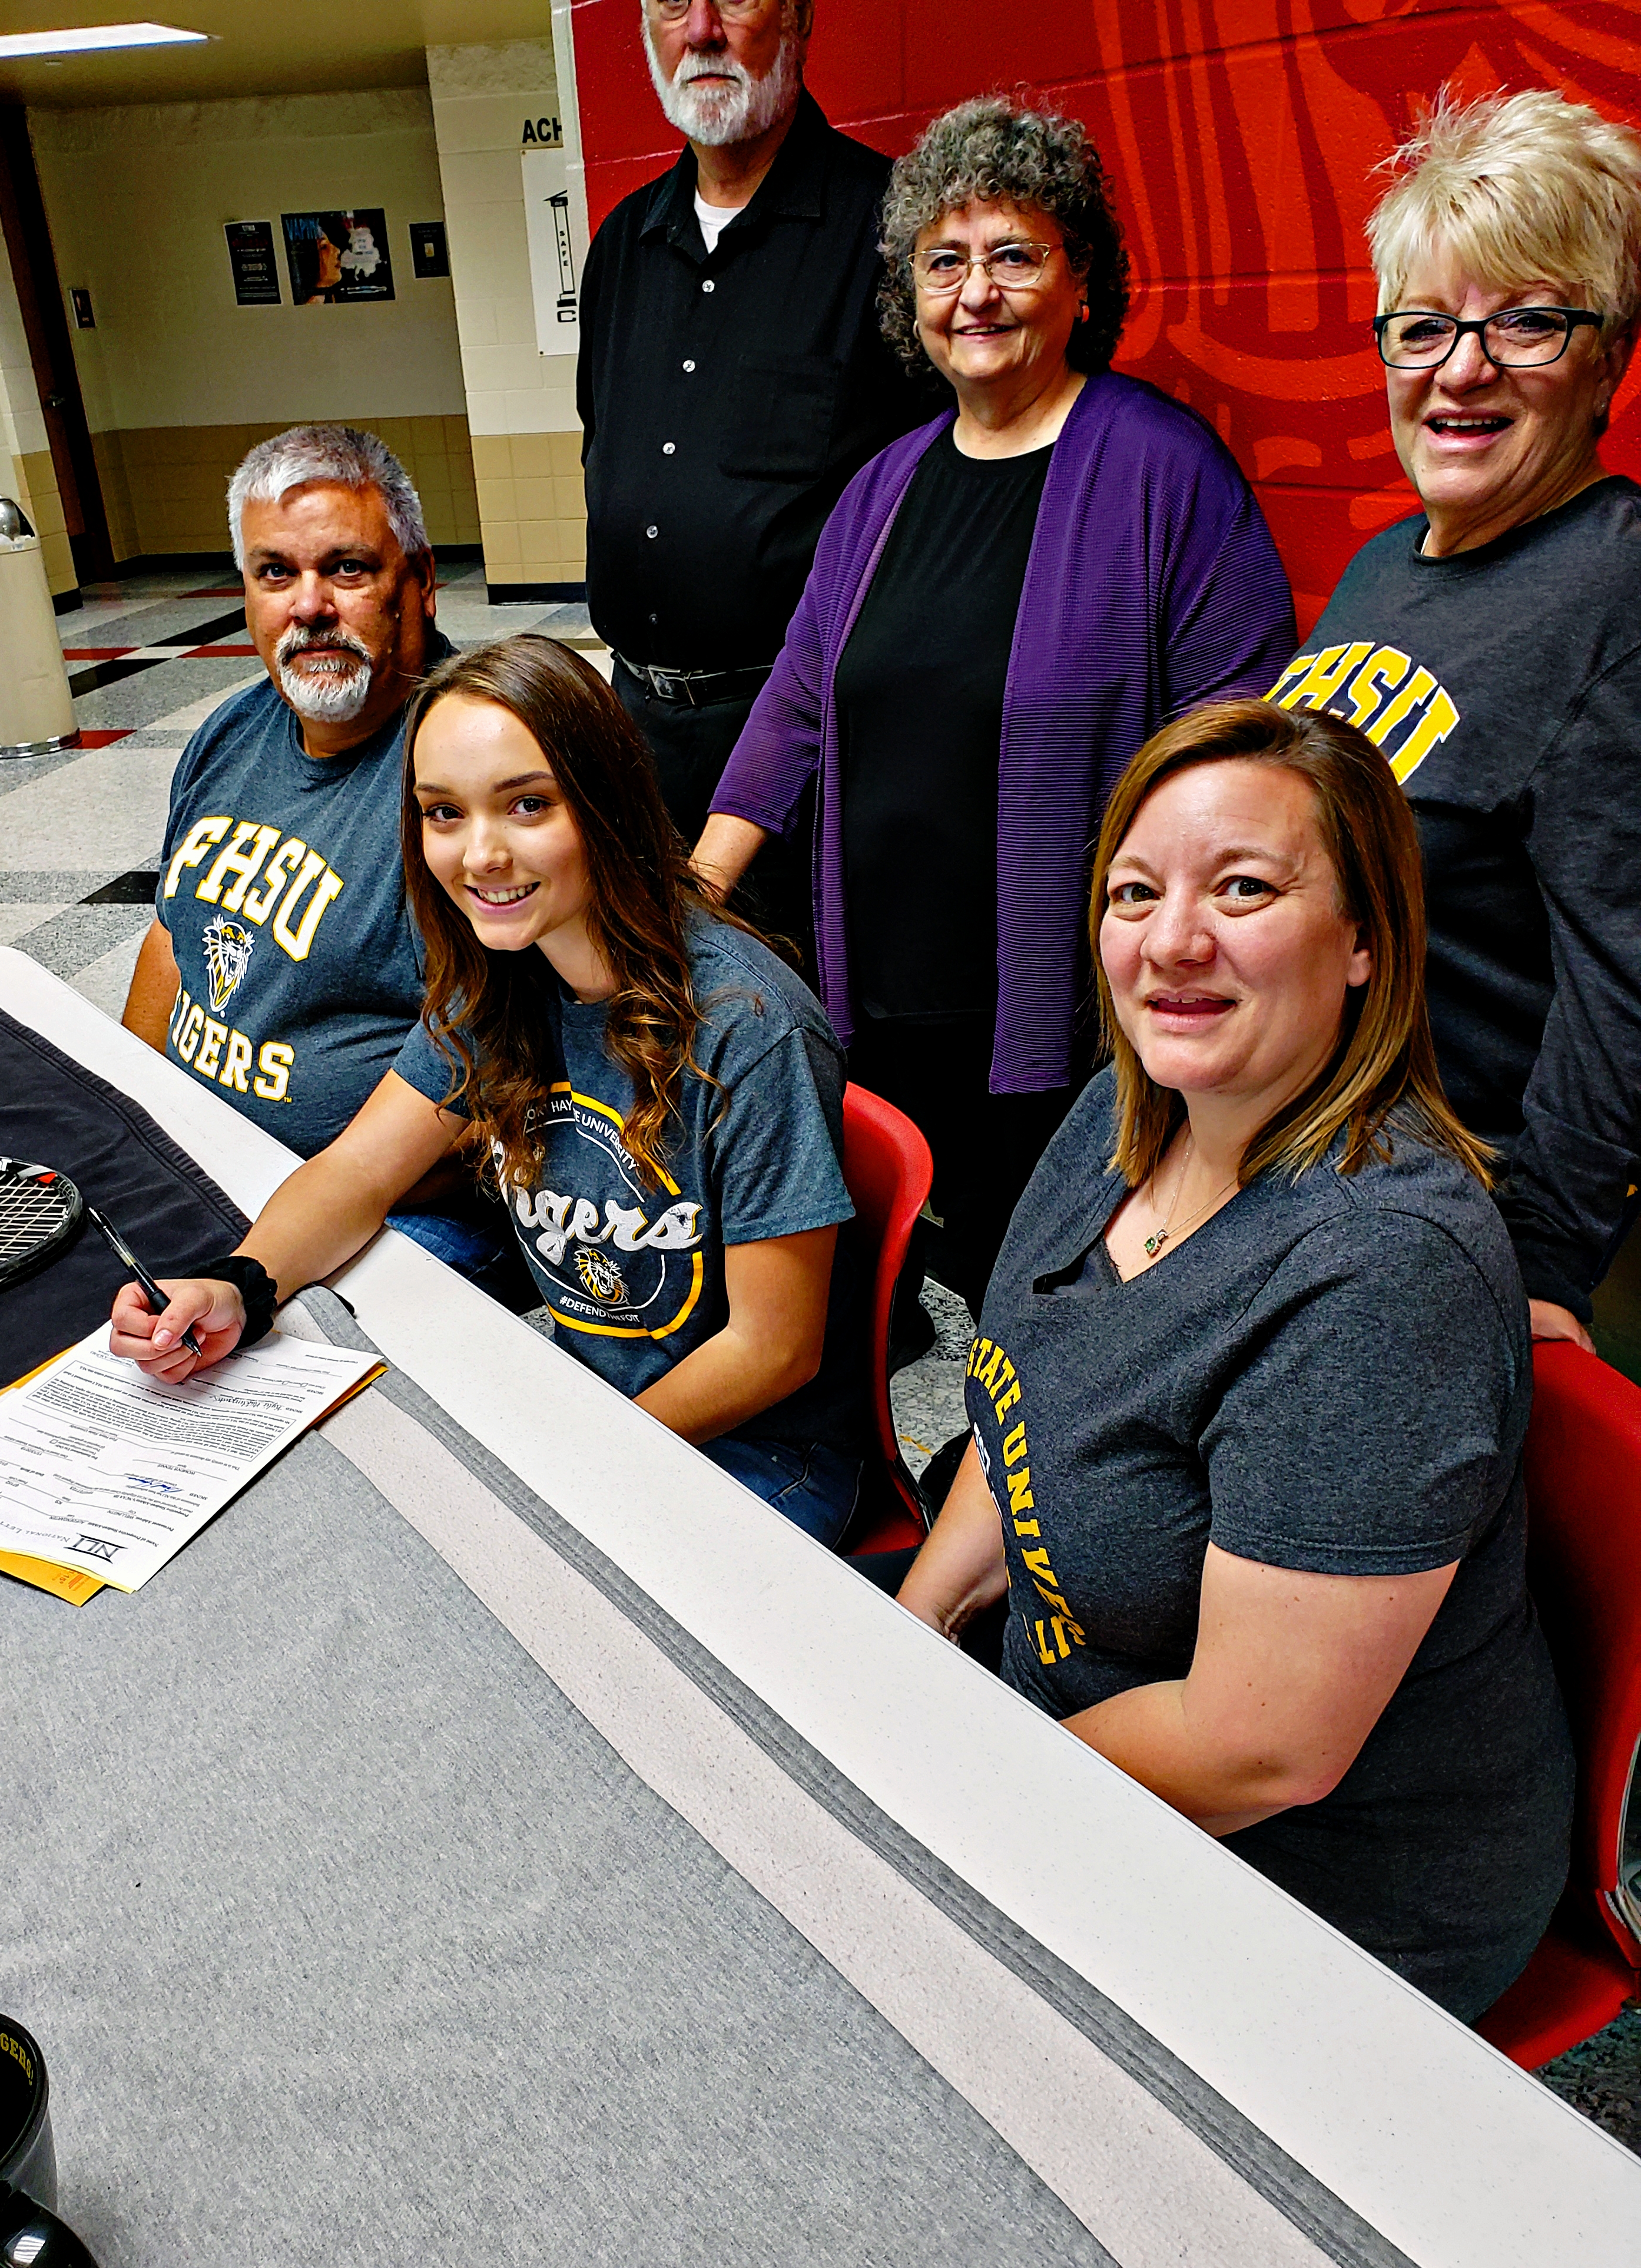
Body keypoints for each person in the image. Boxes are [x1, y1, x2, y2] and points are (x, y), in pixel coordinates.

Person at [893, 698, 1572, 2021]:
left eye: (1244, 888)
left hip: (1313, 1895)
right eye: (1134, 892)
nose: (1173, 942)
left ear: (1366, 939)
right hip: (1070, 1742)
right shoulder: (1126, 1111)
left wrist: (958, 1798)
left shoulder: (1381, 1274)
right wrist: (908, 1651)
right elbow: (1017, 1408)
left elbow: (1259, 1752)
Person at [693, 95, 1295, 1313]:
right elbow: (800, 699)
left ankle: (1053, 1485)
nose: (977, 291)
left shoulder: (1161, 471)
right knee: (966, 1270)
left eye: (1015, 254)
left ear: (1084, 283)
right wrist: (690, 888)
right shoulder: (883, 487)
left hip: (1065, 1004)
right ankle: (995, 1461)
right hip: (890, 985)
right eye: (945, 261)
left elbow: (1248, 742)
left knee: (1079, 1286)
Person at [108, 636, 868, 1546]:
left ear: (606, 802)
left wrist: (574, 1463)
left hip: (751, 1453)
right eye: (443, 814)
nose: (482, 855)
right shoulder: (499, 977)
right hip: (588, 1403)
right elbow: (356, 1172)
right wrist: (242, 1284)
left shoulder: (749, 1027)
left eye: (528, 806)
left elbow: (772, 1351)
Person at [1268, 87, 1641, 1352]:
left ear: (1609, 355)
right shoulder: (1385, 565)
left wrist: (1539, 1273)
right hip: (1302, 1194)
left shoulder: (1614, 587)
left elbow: (1622, 980)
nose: (1462, 369)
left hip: (1437, 1249)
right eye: (1423, 329)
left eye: (1528, 323)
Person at [576, 0, 938, 896]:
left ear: (799, 19)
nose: (700, 28)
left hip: (818, 752)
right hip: (638, 735)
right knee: (655, 1008)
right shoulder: (623, 241)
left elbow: (947, 500)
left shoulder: (894, 231)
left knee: (801, 1018)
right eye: (671, 4)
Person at [121, 423, 449, 1160]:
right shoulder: (231, 731)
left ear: (421, 582)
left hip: (393, 1208)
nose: (308, 606)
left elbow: (516, 1072)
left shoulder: (465, 764)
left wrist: (297, 1206)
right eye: (275, 573)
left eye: (348, 569)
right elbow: (174, 939)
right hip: (198, 1157)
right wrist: (132, 1126)